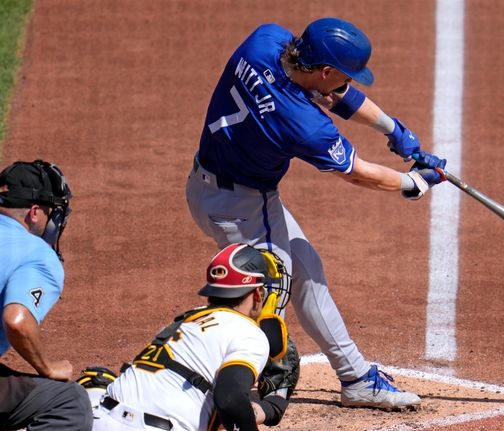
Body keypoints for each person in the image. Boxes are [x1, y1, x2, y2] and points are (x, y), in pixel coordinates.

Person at [185, 17, 446, 409]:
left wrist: (393, 129)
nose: (350, 81)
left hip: (206, 186)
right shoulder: (303, 126)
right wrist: (413, 183)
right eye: (344, 73)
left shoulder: (266, 40)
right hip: (246, 208)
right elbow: (358, 174)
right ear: (325, 69)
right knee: (263, 303)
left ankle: (355, 376)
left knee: (306, 270)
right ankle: (209, 383)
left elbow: (333, 93)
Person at [91, 243, 298, 430]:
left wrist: (270, 408)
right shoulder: (249, 332)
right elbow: (230, 400)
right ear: (257, 294)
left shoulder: (185, 321)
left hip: (99, 417)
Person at [0, 160, 92, 430]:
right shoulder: (36, 253)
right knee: (69, 402)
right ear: (35, 212)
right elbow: (17, 320)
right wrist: (47, 367)